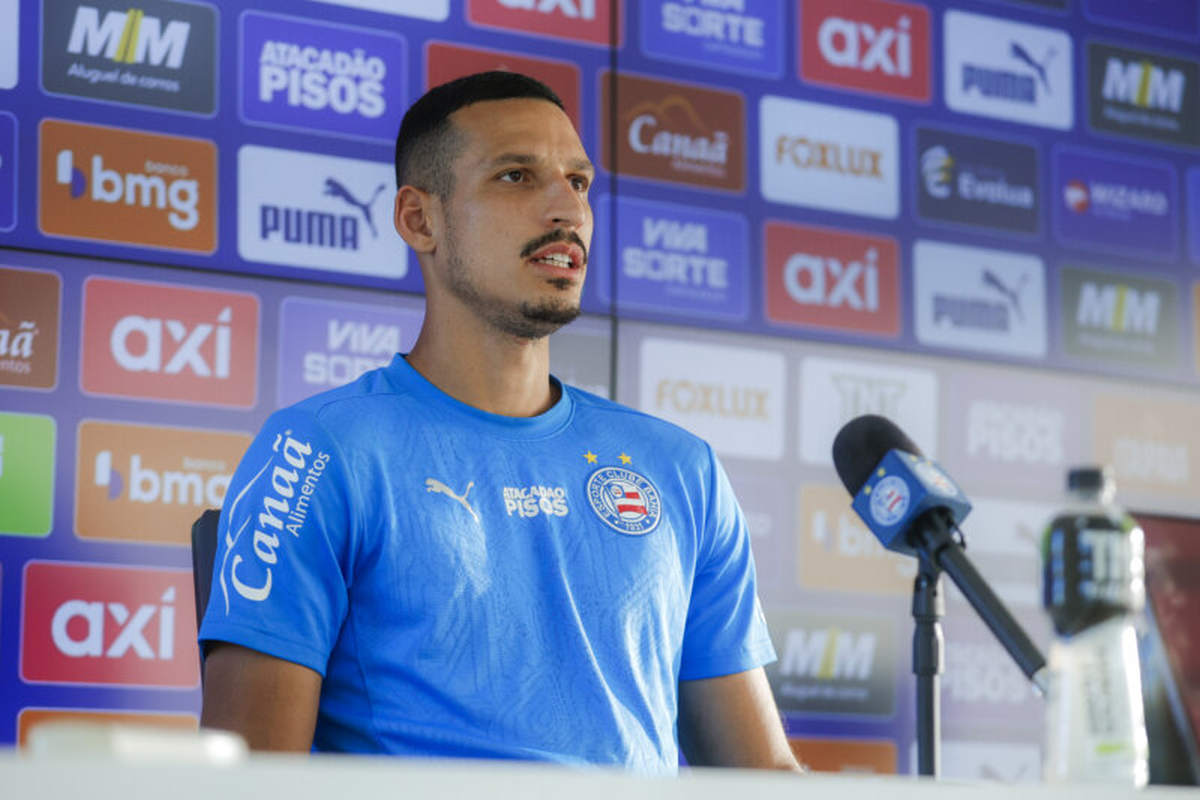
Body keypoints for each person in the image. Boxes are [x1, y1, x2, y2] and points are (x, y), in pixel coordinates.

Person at [199, 71, 801, 774]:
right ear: (419, 220)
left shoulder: (679, 467)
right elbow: (244, 780)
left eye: (578, 182)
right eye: (517, 176)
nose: (565, 210)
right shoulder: (319, 451)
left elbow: (762, 779)